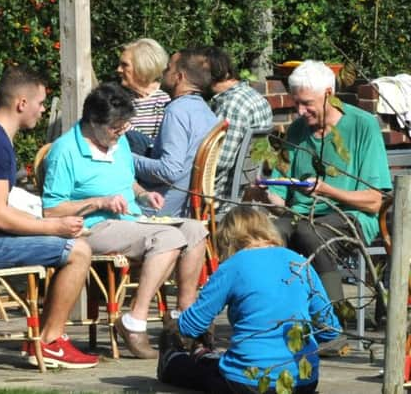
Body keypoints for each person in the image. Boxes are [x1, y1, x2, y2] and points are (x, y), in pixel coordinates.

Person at [42, 82, 208, 359]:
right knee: (168, 238)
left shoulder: (116, 145)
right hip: (92, 227)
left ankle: (184, 320)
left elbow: (127, 182)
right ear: (93, 122)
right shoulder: (65, 151)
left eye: (124, 127)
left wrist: (144, 195)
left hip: (129, 220)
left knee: (194, 230)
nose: (120, 133)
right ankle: (134, 321)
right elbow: (51, 210)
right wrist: (98, 202)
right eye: (115, 128)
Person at [0, 65, 97, 369]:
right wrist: (53, 227)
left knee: (69, 241)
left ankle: (41, 337)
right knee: (78, 251)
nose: (43, 110)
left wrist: (53, 229)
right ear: (21, 103)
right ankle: (51, 341)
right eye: (41, 103)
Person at [246, 60, 391, 304]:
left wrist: (327, 190)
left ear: (329, 94)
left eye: (307, 104)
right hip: (301, 215)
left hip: (350, 215)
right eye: (296, 103)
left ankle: (333, 313)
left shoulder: (362, 125)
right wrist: (265, 194)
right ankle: (273, 311)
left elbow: (376, 200)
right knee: (266, 234)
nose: (300, 111)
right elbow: (283, 202)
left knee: (308, 232)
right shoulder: (297, 130)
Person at [157, 206, 341, 394]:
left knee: (181, 365)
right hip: (303, 382)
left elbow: (191, 326)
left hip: (247, 383)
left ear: (227, 238)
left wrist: (174, 322)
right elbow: (329, 329)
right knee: (219, 362)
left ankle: (176, 359)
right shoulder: (301, 263)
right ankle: (206, 356)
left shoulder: (233, 266)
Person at [133, 48, 219, 217]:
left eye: (168, 69)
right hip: (188, 204)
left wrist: (125, 158)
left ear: (179, 77)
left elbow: (169, 171)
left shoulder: (177, 111)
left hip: (161, 207)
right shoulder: (207, 112)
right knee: (134, 138)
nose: (163, 73)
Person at [202, 46, 273, 214]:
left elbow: (219, 162)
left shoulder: (232, 105)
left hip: (225, 200)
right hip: (248, 195)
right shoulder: (254, 96)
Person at [116, 38, 171, 155]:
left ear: (143, 66)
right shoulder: (118, 98)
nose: (119, 70)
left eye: (124, 65)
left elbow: (158, 148)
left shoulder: (165, 102)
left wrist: (127, 128)